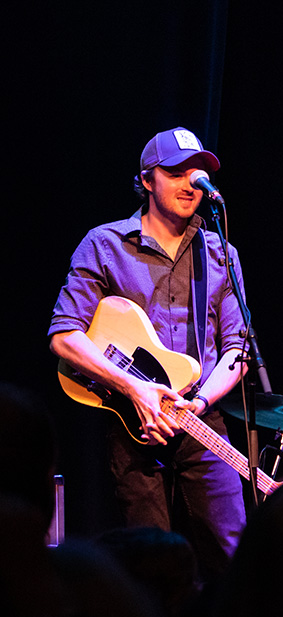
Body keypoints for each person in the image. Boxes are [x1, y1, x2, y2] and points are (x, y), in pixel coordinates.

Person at [48, 127, 247, 583]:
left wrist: (200, 403)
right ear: (147, 179)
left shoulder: (220, 253)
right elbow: (64, 336)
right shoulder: (104, 244)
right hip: (132, 420)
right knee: (151, 567)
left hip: (201, 416)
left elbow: (237, 349)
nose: (189, 183)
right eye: (175, 172)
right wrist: (135, 388)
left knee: (233, 551)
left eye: (196, 174)